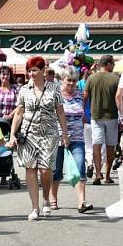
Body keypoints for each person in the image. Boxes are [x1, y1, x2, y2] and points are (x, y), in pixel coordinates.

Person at [9, 56, 70, 221]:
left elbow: (60, 112)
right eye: (29, 71)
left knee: (45, 169)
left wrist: (65, 134)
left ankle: (46, 198)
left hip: (49, 133)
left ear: (43, 70)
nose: (31, 74)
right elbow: (19, 112)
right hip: (29, 134)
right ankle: (35, 207)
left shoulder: (54, 88)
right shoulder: (24, 89)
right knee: (30, 169)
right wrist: (12, 134)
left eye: (34, 70)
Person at [51, 66, 93, 213]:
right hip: (58, 138)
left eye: (74, 81)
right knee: (56, 170)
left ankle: (82, 202)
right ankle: (53, 199)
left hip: (77, 138)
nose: (71, 84)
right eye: (68, 80)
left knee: (80, 166)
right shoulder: (56, 95)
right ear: (63, 80)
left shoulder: (80, 95)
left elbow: (82, 114)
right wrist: (62, 134)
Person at [84, 55, 120, 185]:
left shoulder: (91, 78)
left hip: (96, 116)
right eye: (113, 64)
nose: (114, 66)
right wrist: (122, 115)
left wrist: (83, 113)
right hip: (112, 116)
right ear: (109, 64)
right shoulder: (116, 78)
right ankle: (108, 175)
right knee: (110, 145)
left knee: (96, 144)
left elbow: (85, 96)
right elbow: (119, 97)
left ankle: (98, 174)